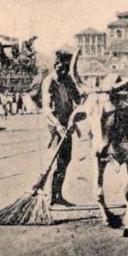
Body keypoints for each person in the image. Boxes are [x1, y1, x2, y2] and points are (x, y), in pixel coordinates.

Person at [41, 50, 82, 207]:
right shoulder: (49, 82)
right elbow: (46, 108)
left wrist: (75, 118)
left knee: (67, 158)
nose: (64, 71)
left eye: (67, 68)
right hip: (54, 123)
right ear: (55, 65)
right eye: (61, 67)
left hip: (67, 123)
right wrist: (58, 125)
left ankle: (58, 194)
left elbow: (78, 100)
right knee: (58, 159)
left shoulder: (68, 80)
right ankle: (51, 194)